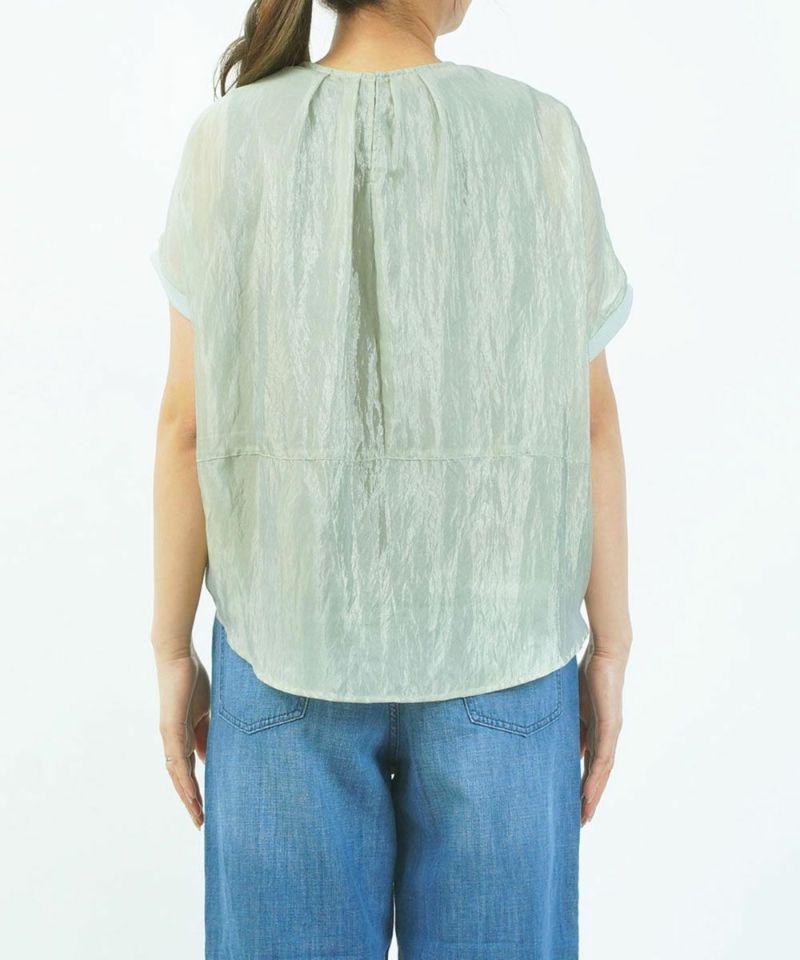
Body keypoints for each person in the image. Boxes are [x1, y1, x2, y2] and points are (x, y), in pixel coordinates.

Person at [149, 1, 634, 956]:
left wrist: (172, 649)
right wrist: (610, 645)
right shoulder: (538, 132)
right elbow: (590, 421)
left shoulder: (230, 140)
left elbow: (185, 427)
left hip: (283, 637)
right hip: (504, 645)